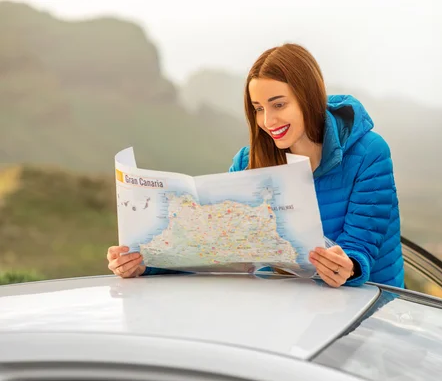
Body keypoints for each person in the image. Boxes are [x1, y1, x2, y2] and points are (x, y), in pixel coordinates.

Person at [107, 43, 405, 289]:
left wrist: (348, 268)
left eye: (279, 105)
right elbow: (216, 251)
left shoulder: (369, 153)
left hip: (368, 314)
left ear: (308, 97)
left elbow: (360, 249)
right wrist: (146, 264)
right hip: (286, 313)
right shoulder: (247, 162)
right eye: (258, 109)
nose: (267, 122)